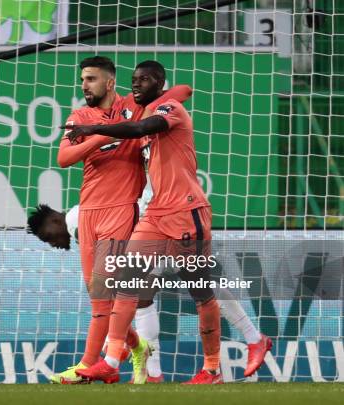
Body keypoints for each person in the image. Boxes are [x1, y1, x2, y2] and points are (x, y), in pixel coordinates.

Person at [65, 60, 249, 384]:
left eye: (144, 80)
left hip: (185, 210)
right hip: (156, 213)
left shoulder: (165, 110)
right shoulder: (138, 110)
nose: (137, 84)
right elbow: (65, 157)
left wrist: (94, 130)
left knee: (202, 290)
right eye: (134, 79)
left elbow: (144, 123)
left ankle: (214, 367)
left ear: (159, 83)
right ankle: (113, 361)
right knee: (127, 279)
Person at [37, 56, 193, 384]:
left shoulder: (134, 108)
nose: (84, 86)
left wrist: (101, 132)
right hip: (88, 212)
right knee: (99, 298)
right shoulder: (80, 116)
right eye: (82, 79)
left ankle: (88, 367)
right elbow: (64, 158)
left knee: (105, 297)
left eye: (91, 79)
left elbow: (182, 90)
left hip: (121, 210)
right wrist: (102, 136)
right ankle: (133, 349)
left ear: (109, 82)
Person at [28, 198, 272, 381]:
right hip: (160, 232)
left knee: (199, 288)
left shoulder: (76, 221)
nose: (55, 244)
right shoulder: (81, 218)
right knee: (156, 294)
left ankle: (248, 341)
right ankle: (152, 370)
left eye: (49, 237)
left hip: (165, 228)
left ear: (55, 220)